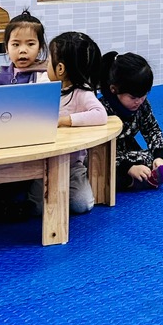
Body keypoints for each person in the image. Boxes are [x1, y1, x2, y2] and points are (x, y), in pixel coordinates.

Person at [29, 31, 109, 215]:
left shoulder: (82, 93)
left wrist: (63, 121)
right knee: (36, 208)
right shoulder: (45, 85)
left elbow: (100, 115)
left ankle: (64, 188)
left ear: (60, 69)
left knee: (83, 204)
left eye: (49, 61)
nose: (46, 65)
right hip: (42, 162)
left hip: (72, 165)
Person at [93, 52, 163, 191]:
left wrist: (159, 157)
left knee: (149, 159)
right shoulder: (102, 110)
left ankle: (139, 178)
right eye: (133, 97)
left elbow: (152, 130)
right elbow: (100, 149)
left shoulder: (142, 105)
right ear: (114, 89)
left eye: (143, 95)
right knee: (99, 173)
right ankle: (131, 181)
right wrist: (129, 168)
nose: (139, 101)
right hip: (105, 154)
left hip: (128, 150)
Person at [0, 10, 47, 86]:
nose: (23, 50)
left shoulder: (46, 77)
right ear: (7, 48)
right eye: (16, 44)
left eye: (30, 44)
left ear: (40, 47)